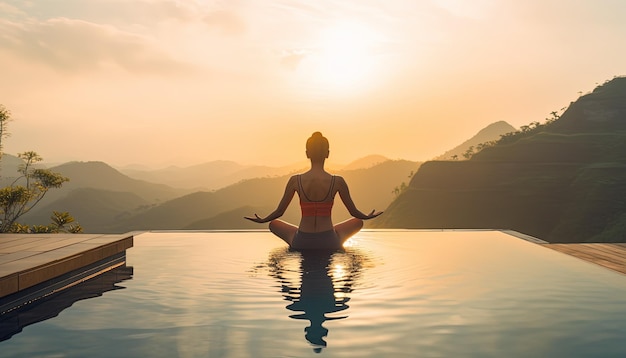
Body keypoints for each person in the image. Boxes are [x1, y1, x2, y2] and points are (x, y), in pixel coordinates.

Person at [245, 132, 382, 250]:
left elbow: (279, 212)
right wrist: (367, 216)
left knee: (273, 224)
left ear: (307, 153)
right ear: (327, 154)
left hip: (301, 242)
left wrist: (263, 220)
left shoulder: (295, 180)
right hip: (330, 241)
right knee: (358, 221)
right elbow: (354, 212)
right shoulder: (337, 181)